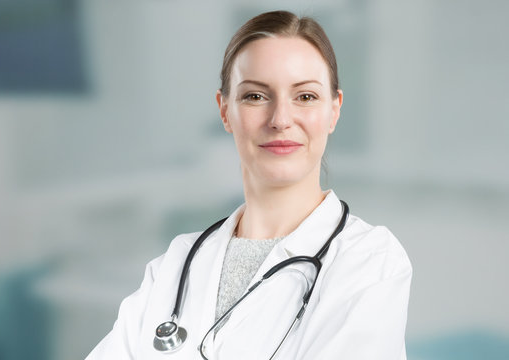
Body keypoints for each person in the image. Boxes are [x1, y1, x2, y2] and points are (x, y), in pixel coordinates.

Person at [86, 10, 412, 360]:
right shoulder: (174, 265)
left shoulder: (370, 262)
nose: (280, 120)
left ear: (334, 110)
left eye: (305, 97)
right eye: (256, 96)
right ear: (225, 111)